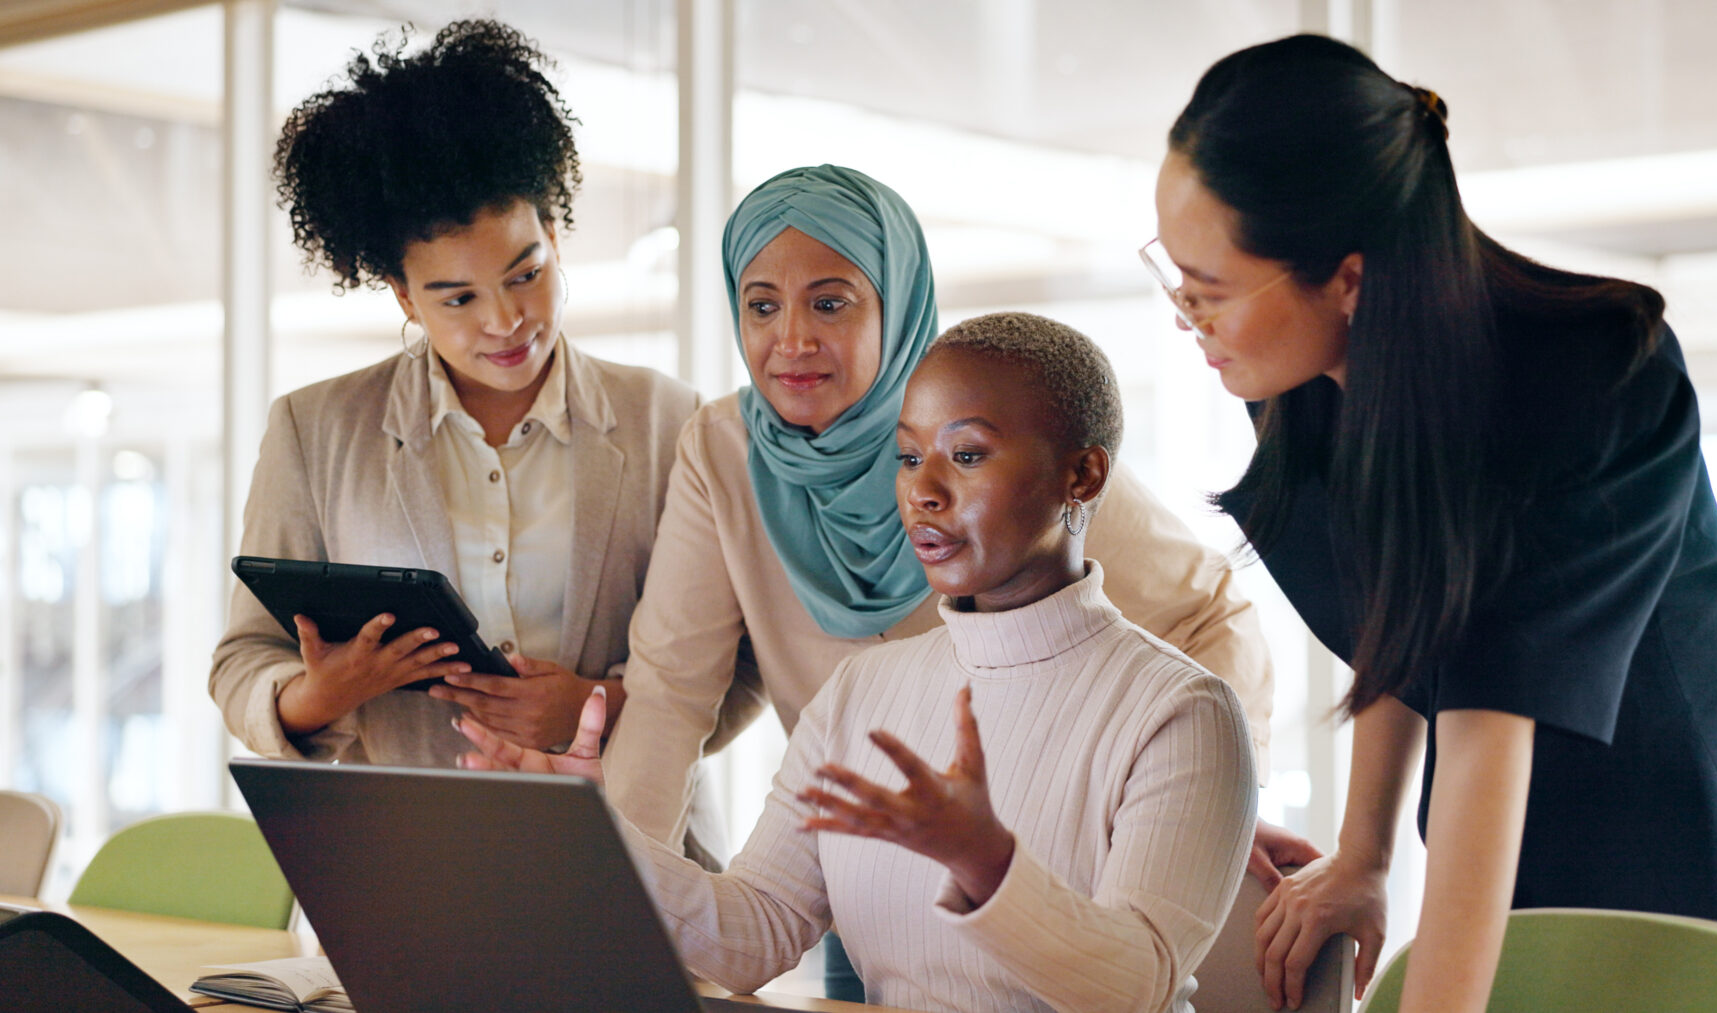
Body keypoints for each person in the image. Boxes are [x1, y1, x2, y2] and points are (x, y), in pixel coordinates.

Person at [1146, 34, 1717, 1013]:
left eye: (1208, 292)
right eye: (1173, 276)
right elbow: (1406, 621)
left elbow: (1490, 724)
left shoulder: (1597, 381)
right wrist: (1363, 854)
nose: (1182, 317)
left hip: (1690, 870)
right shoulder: (1316, 376)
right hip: (1503, 854)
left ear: (1351, 279)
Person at [461, 312, 1259, 1013]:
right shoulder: (863, 690)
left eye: (969, 455)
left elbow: (1135, 987)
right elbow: (757, 934)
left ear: (1082, 475)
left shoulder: (1183, 710)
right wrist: (598, 837)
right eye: (910, 458)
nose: (924, 492)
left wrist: (986, 859)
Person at [601, 164, 1276, 875]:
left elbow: (1210, 614)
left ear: (897, 304)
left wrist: (1220, 809)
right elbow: (669, 693)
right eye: (762, 306)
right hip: (858, 866)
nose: (791, 339)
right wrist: (613, 889)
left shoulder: (987, 422)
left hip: (1040, 864)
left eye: (830, 304)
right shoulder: (723, 451)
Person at [208, 20, 714, 851]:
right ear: (402, 297)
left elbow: (730, 666)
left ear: (556, 234)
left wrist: (596, 703)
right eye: (457, 298)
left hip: (634, 855)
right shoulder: (315, 429)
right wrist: (323, 692)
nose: (508, 320)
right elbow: (241, 664)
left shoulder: (672, 420)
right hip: (408, 863)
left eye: (527, 274)